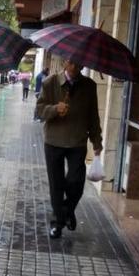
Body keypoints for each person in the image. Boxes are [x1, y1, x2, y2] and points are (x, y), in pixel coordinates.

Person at [36, 60, 102, 239]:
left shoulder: (89, 85)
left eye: (79, 64)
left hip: (77, 142)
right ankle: (57, 223)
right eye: (72, 63)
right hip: (53, 141)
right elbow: (39, 111)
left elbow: (93, 116)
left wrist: (97, 141)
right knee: (56, 184)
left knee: (76, 182)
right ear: (65, 63)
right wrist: (55, 109)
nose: (75, 67)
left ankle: (66, 211)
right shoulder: (50, 83)